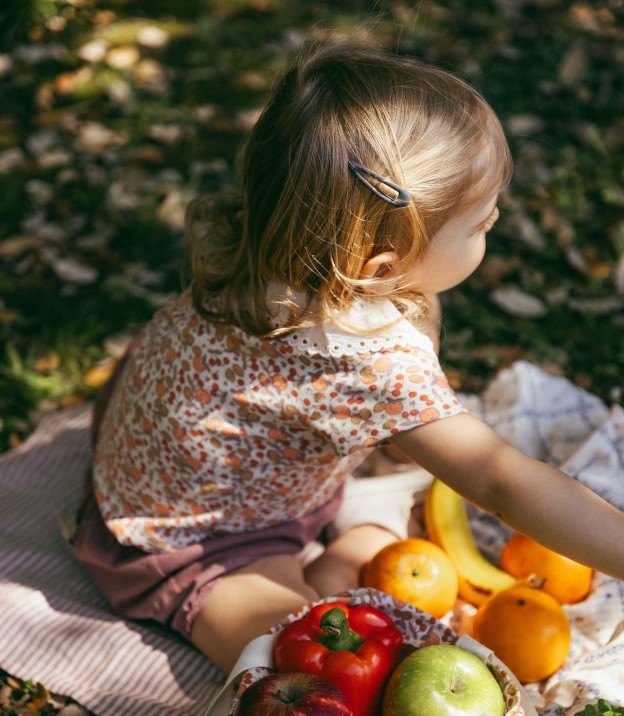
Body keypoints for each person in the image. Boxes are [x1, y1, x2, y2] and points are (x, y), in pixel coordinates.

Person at [74, 41, 624, 674]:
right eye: (480, 224)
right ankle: (347, 551)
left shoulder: (271, 232)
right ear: (379, 269)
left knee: (383, 499)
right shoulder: (367, 363)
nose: (496, 217)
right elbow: (502, 480)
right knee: (296, 664)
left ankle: (350, 547)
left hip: (171, 453)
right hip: (196, 538)